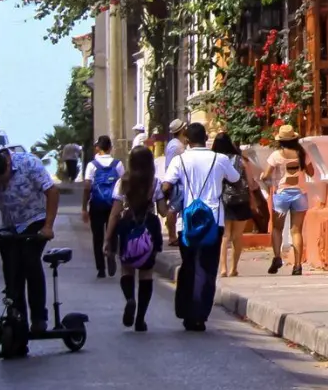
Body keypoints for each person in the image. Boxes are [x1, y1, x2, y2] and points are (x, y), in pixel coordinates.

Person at [0, 147, 59, 333]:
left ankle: (39, 317)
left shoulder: (29, 163)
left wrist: (48, 226)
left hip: (35, 219)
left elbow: (51, 192)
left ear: (8, 164)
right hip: (9, 224)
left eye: (1, 179)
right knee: (11, 270)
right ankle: (17, 318)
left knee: (29, 261)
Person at [160, 122, 237, 331]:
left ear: (186, 140)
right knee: (207, 267)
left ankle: (186, 311)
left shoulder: (180, 160)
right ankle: (200, 314)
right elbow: (235, 178)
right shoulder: (219, 159)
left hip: (187, 221)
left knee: (189, 266)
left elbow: (167, 184)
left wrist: (166, 203)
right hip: (214, 219)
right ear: (206, 139)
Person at [102, 147, 162, 332]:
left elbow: (114, 214)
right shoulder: (155, 183)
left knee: (127, 269)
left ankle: (130, 298)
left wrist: (107, 239)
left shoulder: (123, 182)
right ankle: (140, 320)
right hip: (149, 227)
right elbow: (164, 210)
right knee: (146, 273)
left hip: (127, 226)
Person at [262, 125, 315, 276]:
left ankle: (277, 256)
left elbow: (266, 175)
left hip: (281, 194)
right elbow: (311, 172)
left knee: (277, 228)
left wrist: (263, 177)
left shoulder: (276, 155)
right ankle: (298, 265)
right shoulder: (302, 154)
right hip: (300, 194)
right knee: (296, 230)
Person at [212, 133, 260, 278]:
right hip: (241, 200)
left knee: (225, 236)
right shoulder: (242, 160)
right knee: (237, 236)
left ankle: (223, 269)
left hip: (223, 200)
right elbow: (251, 184)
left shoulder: (215, 160)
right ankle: (234, 268)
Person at [80, 136, 121, 278]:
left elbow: (86, 187)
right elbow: (124, 183)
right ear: (110, 148)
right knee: (113, 233)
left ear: (98, 148)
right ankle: (111, 252)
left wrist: (84, 207)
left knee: (97, 237)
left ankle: (101, 269)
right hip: (113, 204)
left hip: (96, 205)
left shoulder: (92, 165)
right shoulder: (118, 164)